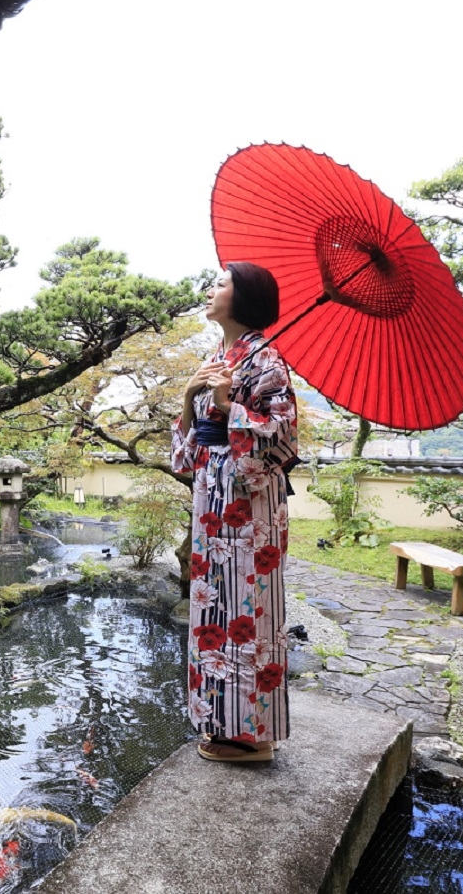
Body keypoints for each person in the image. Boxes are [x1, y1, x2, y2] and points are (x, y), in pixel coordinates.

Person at [171, 261, 299, 763]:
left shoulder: (268, 364)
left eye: (220, 283)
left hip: (249, 504)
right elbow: (187, 452)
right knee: (213, 611)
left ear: (244, 298)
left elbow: (282, 437)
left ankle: (255, 737)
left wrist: (231, 408)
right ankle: (222, 725)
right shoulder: (217, 357)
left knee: (250, 612)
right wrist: (190, 396)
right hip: (211, 500)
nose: (210, 289)